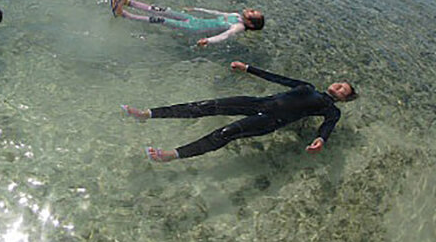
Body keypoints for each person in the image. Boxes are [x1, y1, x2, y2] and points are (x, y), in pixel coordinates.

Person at [122, 61, 357, 163]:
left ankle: (172, 154)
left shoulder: (331, 109)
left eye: (343, 91)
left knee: (225, 133)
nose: (338, 88)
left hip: (269, 121)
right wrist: (248, 68)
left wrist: (320, 140)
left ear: (343, 99)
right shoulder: (307, 86)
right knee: (205, 106)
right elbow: (278, 78)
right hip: (257, 103)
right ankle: (147, 114)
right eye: (339, 84)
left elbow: (327, 126)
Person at [110, 0, 264, 46]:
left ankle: (123, 14)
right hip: (194, 20)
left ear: (250, 23)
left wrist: (208, 41)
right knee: (164, 10)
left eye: (252, 13)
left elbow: (225, 36)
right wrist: (197, 9)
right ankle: (128, 1)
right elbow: (217, 13)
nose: (249, 10)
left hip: (193, 28)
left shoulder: (239, 26)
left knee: (161, 19)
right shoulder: (236, 16)